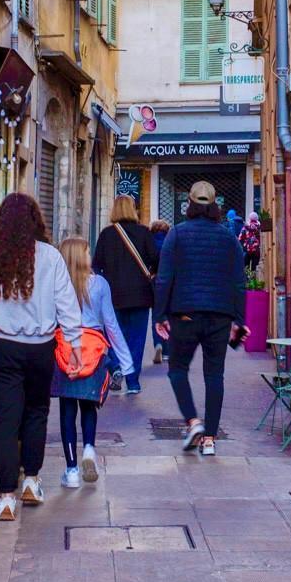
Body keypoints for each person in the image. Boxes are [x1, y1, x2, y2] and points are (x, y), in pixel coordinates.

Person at [0, 193, 82, 521]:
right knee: (37, 412)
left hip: (0, 348)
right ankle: (31, 479)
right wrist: (76, 346)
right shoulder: (51, 257)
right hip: (40, 347)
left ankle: (6, 497)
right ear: (35, 222)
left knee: (4, 419)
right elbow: (66, 305)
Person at [154, 180, 247, 458]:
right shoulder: (229, 237)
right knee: (214, 374)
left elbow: (164, 278)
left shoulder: (177, 234)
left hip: (184, 313)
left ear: (190, 205)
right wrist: (239, 320)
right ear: (215, 206)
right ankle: (210, 440)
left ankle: (193, 421)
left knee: (178, 369)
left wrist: (159, 314)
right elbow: (238, 282)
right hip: (219, 316)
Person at [54, 237, 134, 488]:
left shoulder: (57, 284)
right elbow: (111, 324)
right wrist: (126, 361)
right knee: (89, 406)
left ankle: (72, 470)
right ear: (80, 256)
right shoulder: (99, 284)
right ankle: (89, 448)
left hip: (65, 349)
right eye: (87, 252)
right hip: (94, 349)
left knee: (67, 410)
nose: (91, 257)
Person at [92, 195, 160, 393]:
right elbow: (156, 258)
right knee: (136, 339)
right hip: (141, 295)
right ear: (133, 209)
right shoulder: (144, 232)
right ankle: (133, 382)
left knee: (113, 335)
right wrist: (151, 273)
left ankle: (115, 367)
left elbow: (96, 265)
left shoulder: (106, 235)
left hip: (113, 296)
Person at [148, 219, 171, 363]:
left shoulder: (149, 243)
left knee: (156, 314)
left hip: (154, 281)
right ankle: (167, 350)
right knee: (167, 314)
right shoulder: (170, 243)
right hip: (168, 282)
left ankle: (157, 343)